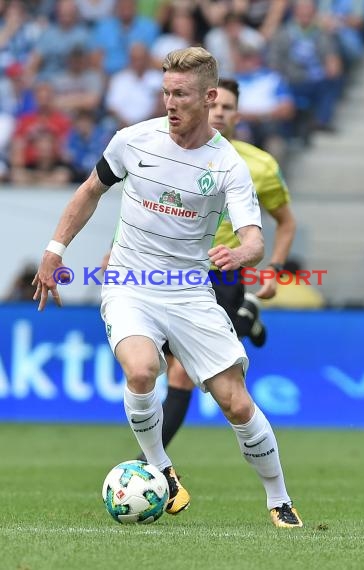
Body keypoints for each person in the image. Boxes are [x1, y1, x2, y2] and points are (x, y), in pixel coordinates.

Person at [33, 47, 302, 528]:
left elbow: (256, 239)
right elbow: (90, 191)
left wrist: (240, 255)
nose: (170, 103)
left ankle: (279, 499)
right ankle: (162, 469)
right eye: (166, 93)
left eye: (181, 94)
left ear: (210, 97)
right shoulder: (133, 141)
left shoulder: (229, 166)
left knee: (236, 402)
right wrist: (55, 249)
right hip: (131, 282)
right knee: (141, 372)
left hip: (191, 293)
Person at [135, 77, 296, 471]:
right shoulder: (176, 154)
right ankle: (248, 318)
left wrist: (273, 269)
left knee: (181, 375)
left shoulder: (257, 165)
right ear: (204, 106)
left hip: (222, 274)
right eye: (216, 105)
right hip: (175, 272)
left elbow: (285, 221)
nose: (220, 112)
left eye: (228, 107)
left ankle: (144, 467)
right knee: (173, 369)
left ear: (238, 114)